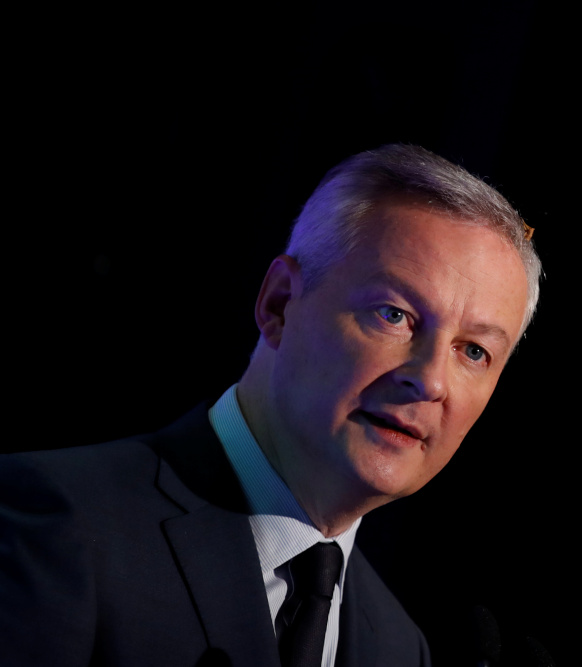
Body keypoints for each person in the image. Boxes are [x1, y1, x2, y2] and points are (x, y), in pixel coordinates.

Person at [0, 144, 542, 667]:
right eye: (393, 315)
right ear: (279, 303)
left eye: (474, 351)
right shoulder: (62, 526)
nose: (430, 381)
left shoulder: (399, 647)